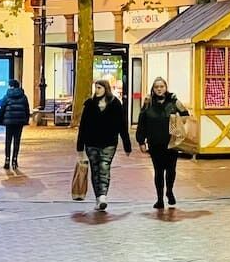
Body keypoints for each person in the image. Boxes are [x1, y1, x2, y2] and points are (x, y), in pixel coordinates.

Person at [76, 79, 131, 211]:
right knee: (95, 170)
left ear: (106, 88)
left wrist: (126, 144)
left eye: (100, 88)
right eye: (96, 88)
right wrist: (80, 146)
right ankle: (98, 198)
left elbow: (122, 125)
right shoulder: (89, 104)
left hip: (109, 142)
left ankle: (102, 196)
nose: (97, 90)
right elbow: (83, 126)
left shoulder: (115, 104)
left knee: (104, 167)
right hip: (91, 142)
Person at [136, 77, 188, 209]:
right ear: (153, 89)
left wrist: (178, 116)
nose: (159, 89)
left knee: (171, 170)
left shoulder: (173, 102)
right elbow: (142, 123)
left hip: (171, 142)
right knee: (158, 171)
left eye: (162, 86)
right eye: (156, 87)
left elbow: (186, 116)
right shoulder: (148, 103)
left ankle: (169, 191)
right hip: (155, 143)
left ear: (166, 87)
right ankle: (159, 199)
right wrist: (141, 141)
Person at [0, 79, 30, 169]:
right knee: (17, 141)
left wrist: (1, 120)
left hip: (9, 122)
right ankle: (15, 160)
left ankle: (7, 160)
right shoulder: (23, 96)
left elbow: (2, 109)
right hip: (19, 122)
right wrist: (26, 120)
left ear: (11, 86)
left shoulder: (6, 96)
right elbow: (27, 109)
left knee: (8, 141)